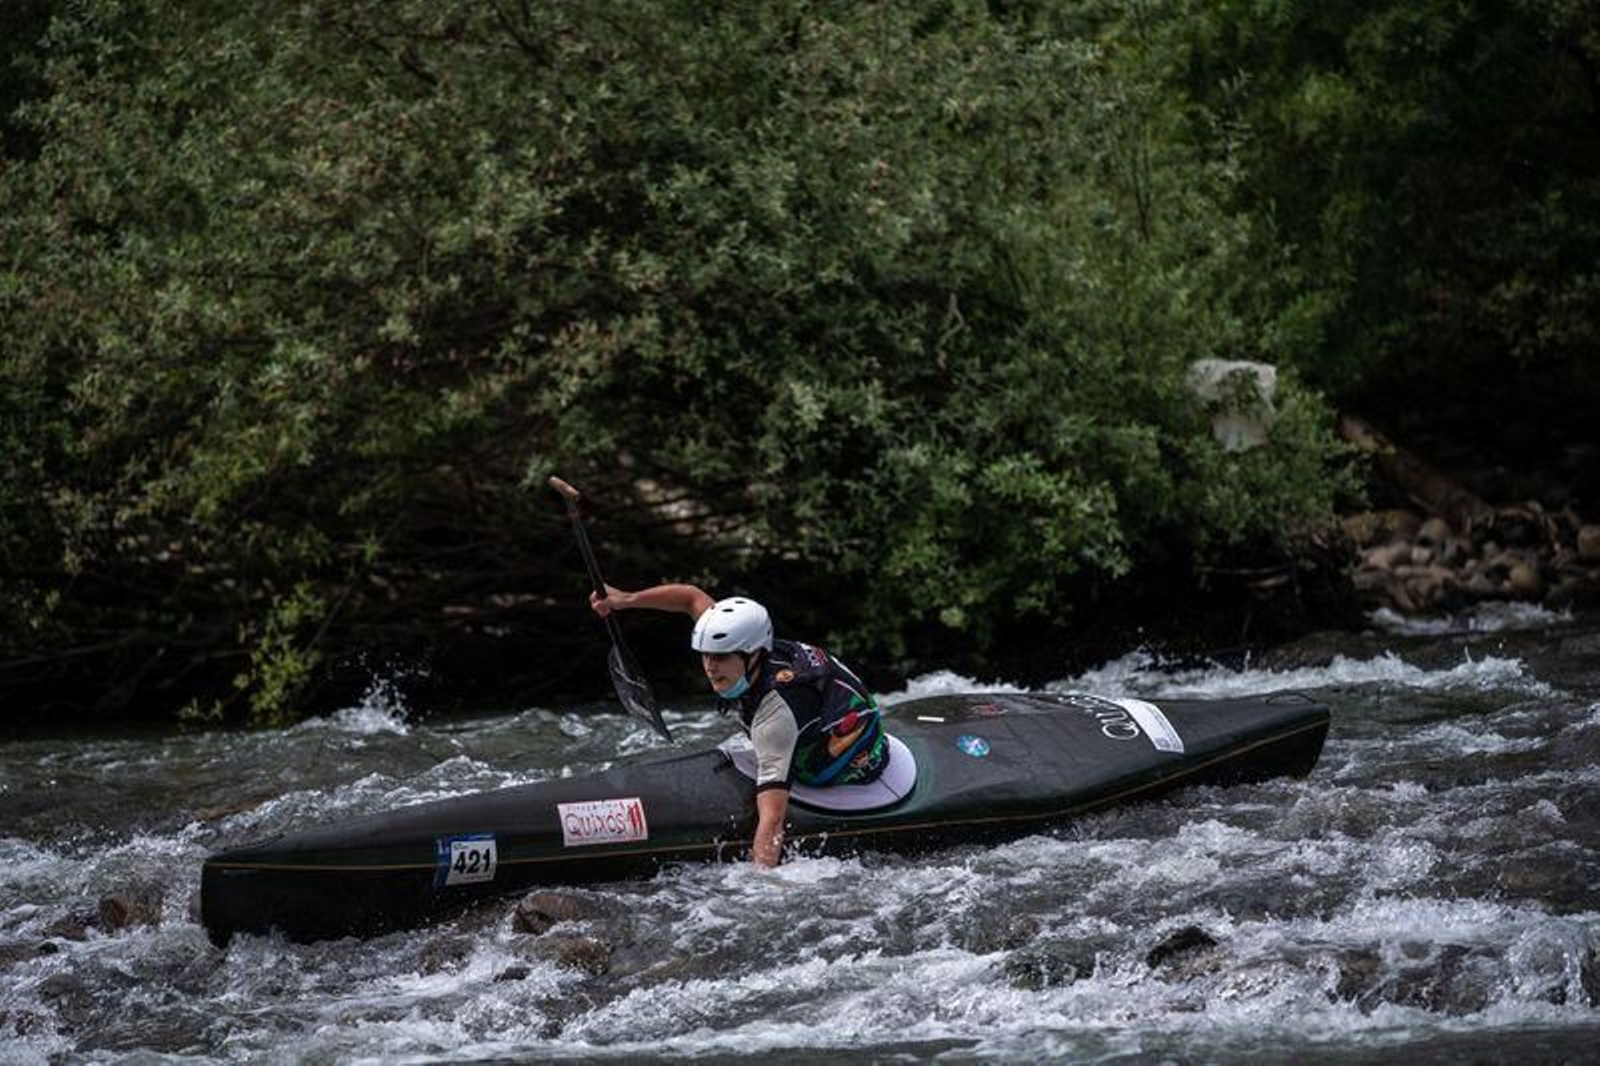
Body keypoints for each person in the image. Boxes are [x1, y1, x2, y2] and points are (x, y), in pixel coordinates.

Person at [589, 583, 887, 867]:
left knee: (778, 787)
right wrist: (626, 600)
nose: (710, 666)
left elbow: (772, 821)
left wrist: (758, 886)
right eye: (705, 654)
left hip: (847, 765)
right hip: (812, 721)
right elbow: (690, 598)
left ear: (753, 654)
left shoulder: (775, 713)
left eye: (720, 657)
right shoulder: (744, 641)